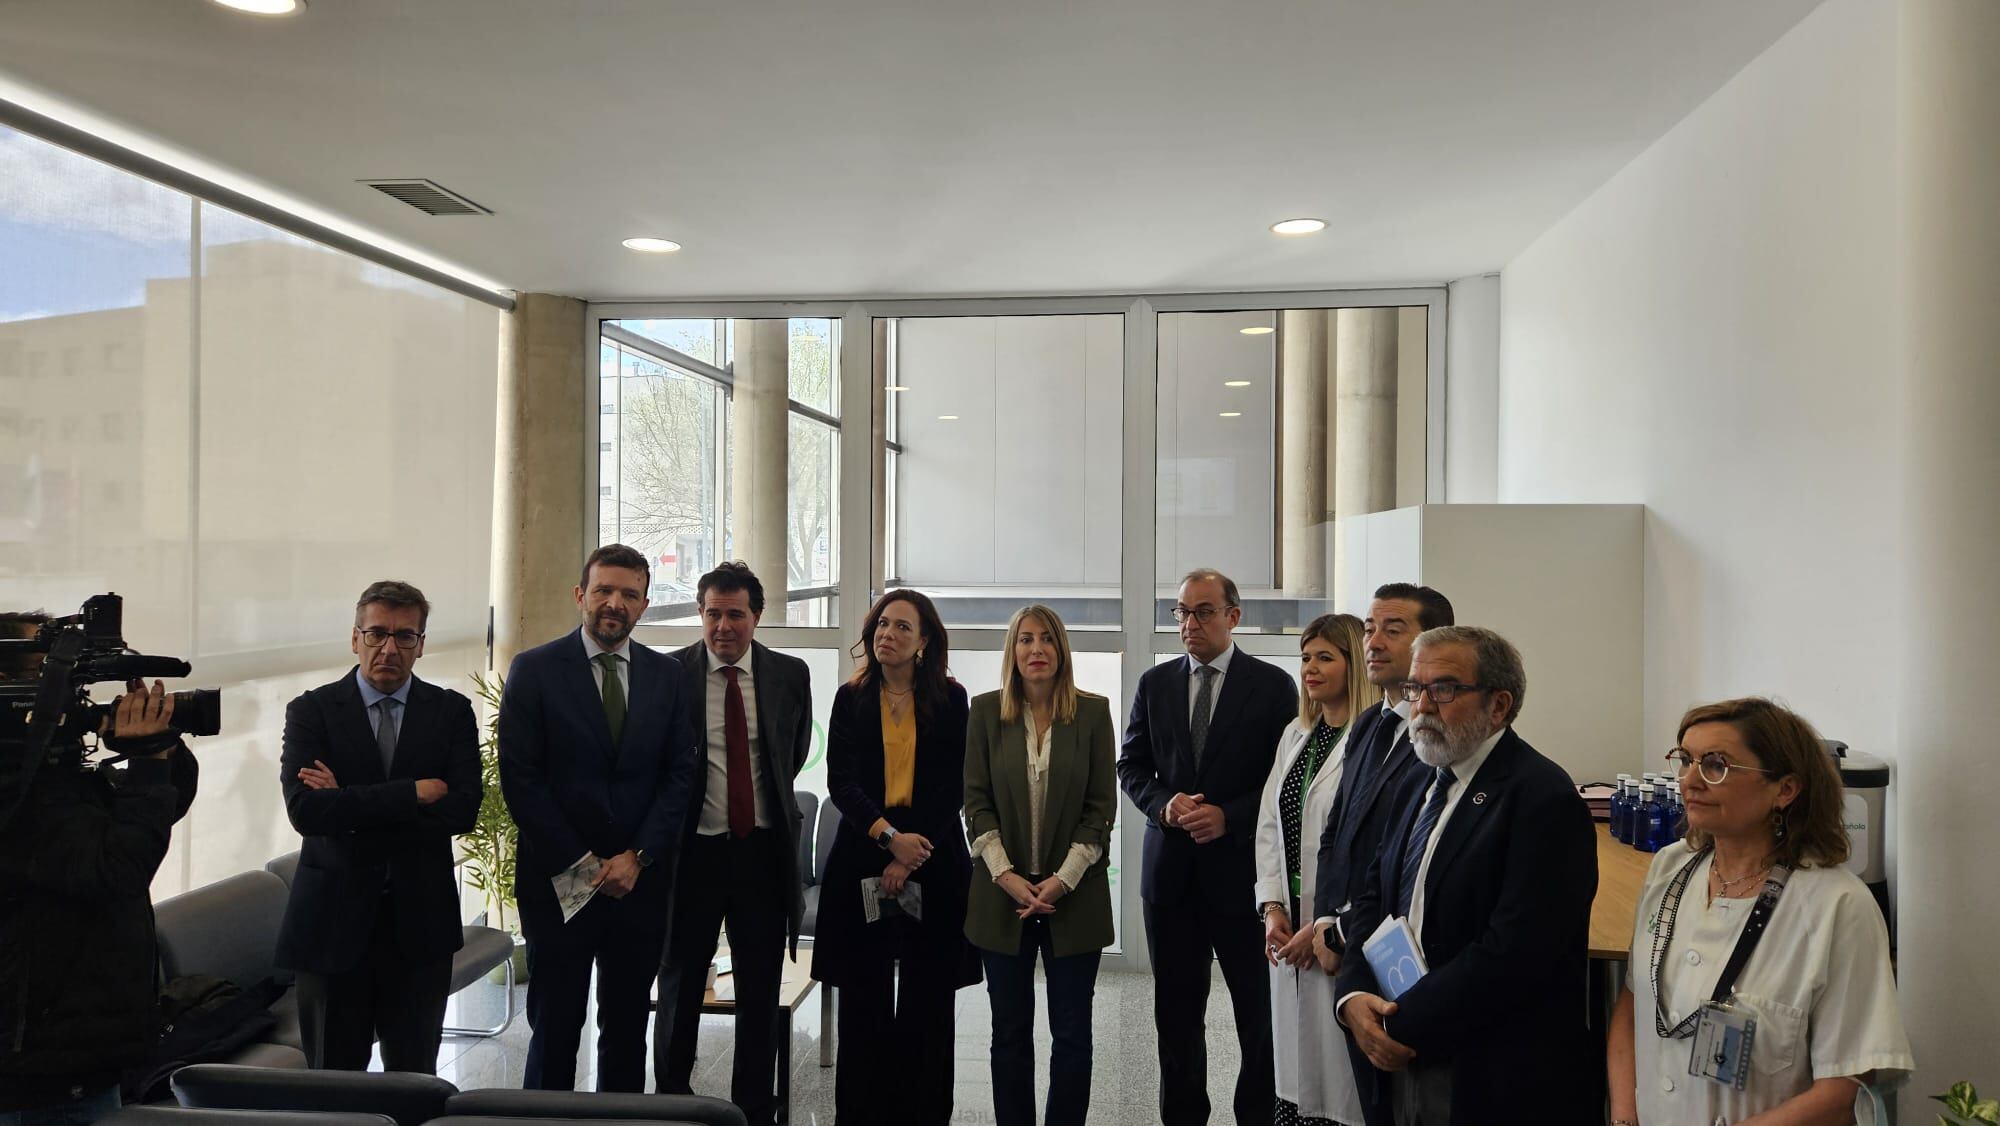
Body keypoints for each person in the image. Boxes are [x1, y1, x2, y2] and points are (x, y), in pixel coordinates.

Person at [1334, 626, 1598, 1126]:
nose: (1423, 705)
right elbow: (1372, 896)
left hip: (1484, 1065)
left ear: (1499, 706)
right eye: (1415, 688)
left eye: (1445, 689)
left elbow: (1516, 952)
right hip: (1397, 1038)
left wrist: (1403, 1020)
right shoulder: (1419, 774)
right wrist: (1351, 998)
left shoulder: (1543, 798)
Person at [1607, 698, 1912, 1126]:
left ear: (1785, 789)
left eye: (1716, 765)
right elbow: (1634, 1004)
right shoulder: (1670, 868)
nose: (1690, 780)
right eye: (1686, 760)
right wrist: (1623, 1116)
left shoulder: (1838, 906)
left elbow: (1844, 1087)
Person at [498, 544, 700, 1092]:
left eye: (629, 594)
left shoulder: (668, 676)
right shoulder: (534, 670)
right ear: (580, 595)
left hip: (639, 880)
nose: (614, 603)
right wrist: (586, 865)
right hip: (560, 880)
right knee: (556, 1025)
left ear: (645, 605)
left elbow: (681, 775)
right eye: (604, 590)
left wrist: (638, 856)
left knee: (628, 1026)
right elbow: (522, 779)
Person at [274, 580, 483, 1074]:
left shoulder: (451, 713)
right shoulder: (312, 711)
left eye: (404, 636)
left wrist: (346, 803)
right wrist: (411, 794)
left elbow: (461, 812)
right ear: (355, 639)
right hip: (331, 928)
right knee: (333, 1086)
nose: (389, 648)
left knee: (414, 1081)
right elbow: (305, 812)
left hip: (420, 927)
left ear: (421, 645)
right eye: (376, 634)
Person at [1116, 569, 1299, 1126]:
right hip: (1170, 875)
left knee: (1255, 1011)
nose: (1188, 624)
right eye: (1180, 613)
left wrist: (1230, 816)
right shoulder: (1156, 683)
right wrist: (1164, 804)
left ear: (1233, 617)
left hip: (1242, 876)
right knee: (1176, 1011)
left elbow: (1282, 780)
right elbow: (1131, 765)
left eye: (1202, 612)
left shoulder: (1272, 687)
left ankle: (1256, 1115)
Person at [0, 613, 197, 1125]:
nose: (73, 700)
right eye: (53, 680)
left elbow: (153, 814)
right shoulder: (18, 790)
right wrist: (148, 764)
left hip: (78, 1058)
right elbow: (116, 868)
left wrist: (157, 752)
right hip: (38, 1073)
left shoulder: (57, 773)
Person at [654, 562, 813, 1126]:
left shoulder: (789, 674)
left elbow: (788, 755)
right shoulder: (670, 674)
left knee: (760, 981)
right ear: (700, 613)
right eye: (712, 613)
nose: (723, 626)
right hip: (691, 853)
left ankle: (752, 1106)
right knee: (679, 977)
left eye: (735, 614)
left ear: (757, 617)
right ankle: (672, 1098)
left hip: (762, 853)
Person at [810, 589, 977, 1126]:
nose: (889, 635)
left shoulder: (952, 700)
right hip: (864, 855)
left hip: (933, 858)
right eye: (883, 624)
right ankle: (861, 1114)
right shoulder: (850, 697)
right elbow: (842, 782)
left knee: (930, 1001)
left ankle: (925, 1113)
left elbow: (954, 783)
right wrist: (889, 840)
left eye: (903, 627)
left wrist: (911, 851)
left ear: (924, 640)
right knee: (865, 998)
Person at [963, 605, 1117, 1126]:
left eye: (1047, 639)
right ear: (1012, 651)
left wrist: (1060, 881)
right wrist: (1007, 876)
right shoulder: (985, 713)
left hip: (1073, 898)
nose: (1036, 650)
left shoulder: (1093, 714)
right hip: (999, 896)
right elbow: (975, 801)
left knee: (1072, 1033)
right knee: (1008, 1031)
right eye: (1025, 640)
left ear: (1061, 650)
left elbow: (1100, 810)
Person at [1310, 584, 1453, 1126]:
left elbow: (1414, 859)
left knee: (1401, 1100)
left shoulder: (1442, 737)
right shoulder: (1370, 724)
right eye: (1370, 628)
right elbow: (1336, 832)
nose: (1374, 640)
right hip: (1350, 942)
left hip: (1399, 950)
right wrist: (1326, 918)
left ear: (1432, 643)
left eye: (1394, 629)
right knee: (1371, 1103)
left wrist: (1345, 932)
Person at [1252, 614, 1377, 1126]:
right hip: (1288, 929)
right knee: (1295, 1074)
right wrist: (1273, 907)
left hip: (1338, 929)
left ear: (1354, 665)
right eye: (1306, 657)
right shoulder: (1296, 734)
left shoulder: (1373, 741)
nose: (1311, 668)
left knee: (1341, 1085)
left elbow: (1371, 850)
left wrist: (1321, 925)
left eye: (1325, 657)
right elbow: (1268, 825)